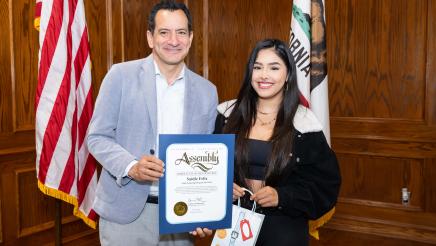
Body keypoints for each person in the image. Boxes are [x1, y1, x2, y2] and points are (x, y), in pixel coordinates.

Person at [87, 1, 217, 245]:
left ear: (190, 38)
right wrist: (131, 166)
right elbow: (97, 137)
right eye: (164, 32)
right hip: (126, 214)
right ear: (150, 37)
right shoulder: (120, 76)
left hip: (181, 215)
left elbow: (205, 156)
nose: (173, 40)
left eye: (181, 32)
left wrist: (205, 210)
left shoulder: (207, 92)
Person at [214, 39, 341, 246]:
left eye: (274, 67)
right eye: (258, 67)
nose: (264, 75)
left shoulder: (304, 124)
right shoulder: (227, 116)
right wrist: (222, 188)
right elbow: (209, 170)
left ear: (288, 74)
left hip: (283, 230)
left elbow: (325, 187)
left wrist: (282, 197)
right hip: (234, 227)